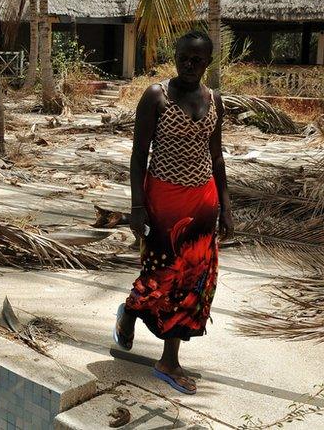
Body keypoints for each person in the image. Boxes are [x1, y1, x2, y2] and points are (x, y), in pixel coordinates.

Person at [113, 31, 233, 395]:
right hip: (164, 202)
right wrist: (137, 206)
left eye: (198, 60)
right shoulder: (156, 97)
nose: (191, 65)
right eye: (185, 58)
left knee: (194, 281)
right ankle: (131, 310)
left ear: (208, 62)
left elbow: (215, 157)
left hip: (202, 204)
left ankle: (169, 360)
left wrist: (226, 206)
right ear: (175, 56)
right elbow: (139, 155)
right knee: (161, 276)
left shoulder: (215, 101)